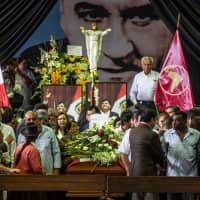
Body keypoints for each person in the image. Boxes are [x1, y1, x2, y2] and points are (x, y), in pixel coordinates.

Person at [21, 0, 172, 92]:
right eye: (92, 16)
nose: (117, 51)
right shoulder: (37, 57)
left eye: (141, 17)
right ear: (64, 17)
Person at [119, 108, 164, 200]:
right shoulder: (153, 134)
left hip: (134, 172)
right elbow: (159, 156)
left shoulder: (130, 132)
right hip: (149, 174)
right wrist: (163, 166)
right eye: (155, 120)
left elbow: (123, 153)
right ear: (152, 119)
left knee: (136, 197)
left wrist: (128, 169)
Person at [162, 111, 200, 200]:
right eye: (172, 120)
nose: (174, 123)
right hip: (172, 176)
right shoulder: (167, 135)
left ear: (184, 121)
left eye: (177, 120)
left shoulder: (196, 134)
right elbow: (164, 154)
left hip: (190, 177)